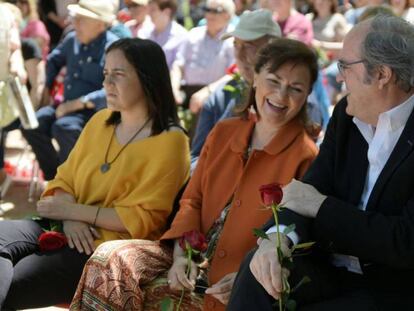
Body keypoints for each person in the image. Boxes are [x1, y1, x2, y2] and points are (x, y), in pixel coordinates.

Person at [70, 38, 319, 311]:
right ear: (254, 77)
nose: (281, 96)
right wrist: (181, 256)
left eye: (295, 88)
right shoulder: (225, 131)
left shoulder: (306, 156)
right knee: (109, 258)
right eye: (273, 80)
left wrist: (249, 279)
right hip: (184, 255)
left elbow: (295, 239)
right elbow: (193, 200)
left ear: (307, 95)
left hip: (237, 279)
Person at [228, 15, 414, 310]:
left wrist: (321, 206)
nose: (338, 76)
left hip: (392, 288)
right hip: (329, 268)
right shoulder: (347, 113)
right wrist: (276, 241)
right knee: (259, 268)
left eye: (345, 66)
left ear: (381, 74)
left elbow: (405, 242)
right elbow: (311, 189)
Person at [0, 38, 190, 309]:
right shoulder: (99, 121)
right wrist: (69, 218)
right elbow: (64, 178)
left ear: (148, 78)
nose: (107, 83)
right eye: (105, 74)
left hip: (103, 249)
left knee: (17, 281)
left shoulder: (171, 141)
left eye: (118, 74)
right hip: (65, 227)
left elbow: (141, 219)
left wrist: (70, 212)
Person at [21, 0, 119, 181]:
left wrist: (76, 104)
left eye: (82, 19)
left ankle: (74, 182)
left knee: (64, 127)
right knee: (30, 124)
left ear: (99, 24)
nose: (75, 23)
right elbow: (53, 61)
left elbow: (115, 91)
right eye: (76, 18)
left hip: (94, 113)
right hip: (64, 106)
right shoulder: (72, 39)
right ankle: (56, 178)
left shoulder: (113, 48)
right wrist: (44, 87)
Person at [170, 0, 235, 107]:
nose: (209, 15)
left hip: (216, 93)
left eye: (215, 11)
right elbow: (178, 65)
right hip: (186, 92)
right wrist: (174, 89)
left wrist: (207, 91)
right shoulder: (194, 34)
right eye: (207, 10)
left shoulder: (233, 39)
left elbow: (234, 74)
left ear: (227, 15)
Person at [139, 0, 188, 70]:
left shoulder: (181, 36)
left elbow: (178, 67)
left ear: (166, 12)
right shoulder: (144, 32)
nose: (148, 13)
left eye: (153, 10)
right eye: (148, 9)